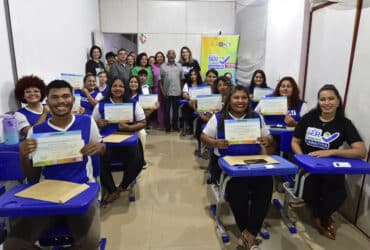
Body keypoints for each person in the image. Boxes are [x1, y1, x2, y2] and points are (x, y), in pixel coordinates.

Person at [4, 80, 105, 249]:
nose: (60, 101)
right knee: (13, 245)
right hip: (46, 194)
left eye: (65, 96)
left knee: (90, 242)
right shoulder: (35, 131)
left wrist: (100, 147)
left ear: (72, 99)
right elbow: (32, 176)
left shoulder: (87, 122)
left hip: (81, 191)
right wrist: (23, 156)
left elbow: (102, 147)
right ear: (48, 102)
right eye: (55, 97)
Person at [201, 85, 274, 250]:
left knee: (266, 185)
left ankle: (249, 233)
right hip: (228, 166)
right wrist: (214, 143)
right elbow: (204, 136)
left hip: (254, 163)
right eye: (236, 98)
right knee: (237, 188)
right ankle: (248, 232)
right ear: (229, 100)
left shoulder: (256, 117)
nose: (240, 101)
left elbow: (268, 135)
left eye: (244, 98)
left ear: (248, 100)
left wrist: (267, 140)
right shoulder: (218, 118)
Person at [291, 84, 366, 240]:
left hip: (330, 167)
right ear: (318, 102)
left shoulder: (344, 123)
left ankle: (320, 217)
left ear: (338, 101)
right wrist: (303, 159)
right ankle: (323, 218)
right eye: (322, 99)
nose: (326, 102)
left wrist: (332, 151)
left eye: (331, 99)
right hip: (308, 167)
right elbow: (295, 142)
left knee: (339, 194)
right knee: (312, 192)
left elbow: (360, 151)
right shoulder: (309, 118)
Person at [92, 78, 146, 204]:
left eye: (121, 86)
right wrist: (98, 123)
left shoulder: (133, 104)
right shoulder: (101, 105)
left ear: (125, 88)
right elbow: (92, 123)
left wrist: (129, 127)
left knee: (137, 159)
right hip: (107, 141)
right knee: (97, 158)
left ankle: (121, 187)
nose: (117, 89)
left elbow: (143, 123)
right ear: (110, 88)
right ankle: (112, 189)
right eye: (114, 86)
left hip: (128, 139)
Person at [160, 50, 185, 133]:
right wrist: (163, 92)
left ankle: (175, 126)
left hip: (177, 92)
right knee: (166, 111)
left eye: (173, 54)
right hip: (167, 93)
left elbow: (182, 79)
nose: (171, 55)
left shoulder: (179, 66)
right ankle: (167, 127)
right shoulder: (162, 66)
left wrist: (181, 90)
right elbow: (160, 80)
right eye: (169, 54)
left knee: (176, 111)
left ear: (175, 56)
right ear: (167, 55)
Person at [181, 68, 203, 135]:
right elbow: (184, 94)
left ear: (197, 75)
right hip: (190, 103)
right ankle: (189, 127)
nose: (193, 76)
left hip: (200, 103)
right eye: (191, 75)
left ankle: (197, 129)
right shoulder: (187, 84)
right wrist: (191, 98)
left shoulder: (202, 84)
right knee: (186, 107)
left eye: (194, 74)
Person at [152, 51, 166, 128]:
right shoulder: (153, 66)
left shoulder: (166, 66)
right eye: (157, 57)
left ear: (163, 58)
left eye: (161, 56)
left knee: (165, 106)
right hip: (156, 89)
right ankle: (160, 123)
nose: (159, 58)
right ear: (155, 58)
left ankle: (165, 122)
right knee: (158, 106)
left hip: (165, 89)